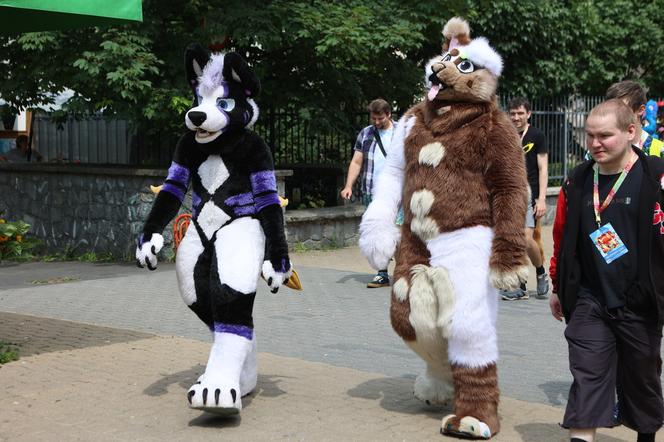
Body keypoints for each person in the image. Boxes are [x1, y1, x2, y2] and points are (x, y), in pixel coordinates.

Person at [549, 99, 664, 442]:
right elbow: (562, 237)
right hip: (590, 299)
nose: (595, 143)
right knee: (588, 376)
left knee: (641, 379)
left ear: (631, 132)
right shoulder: (579, 180)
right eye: (590, 136)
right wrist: (557, 286)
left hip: (641, 301)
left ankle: (646, 435)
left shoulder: (655, 176)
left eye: (605, 136)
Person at [341, 98, 396, 288]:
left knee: (400, 232)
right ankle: (382, 273)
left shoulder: (401, 133)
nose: (377, 122)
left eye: (380, 118)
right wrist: (348, 186)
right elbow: (356, 162)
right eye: (374, 118)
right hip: (372, 192)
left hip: (398, 193)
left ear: (389, 114)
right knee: (377, 233)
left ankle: (405, 271)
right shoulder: (366, 133)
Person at [501, 97, 550, 300]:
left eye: (520, 113)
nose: (516, 117)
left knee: (526, 239)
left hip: (529, 193)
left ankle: (540, 272)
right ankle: (519, 285)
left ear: (528, 114)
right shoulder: (504, 135)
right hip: (508, 195)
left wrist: (542, 199)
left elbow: (543, 168)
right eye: (512, 113)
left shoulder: (536, 135)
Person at [605, 80, 664, 156]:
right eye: (610, 109)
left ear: (640, 110)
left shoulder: (660, 151)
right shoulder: (599, 151)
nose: (612, 115)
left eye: (621, 109)